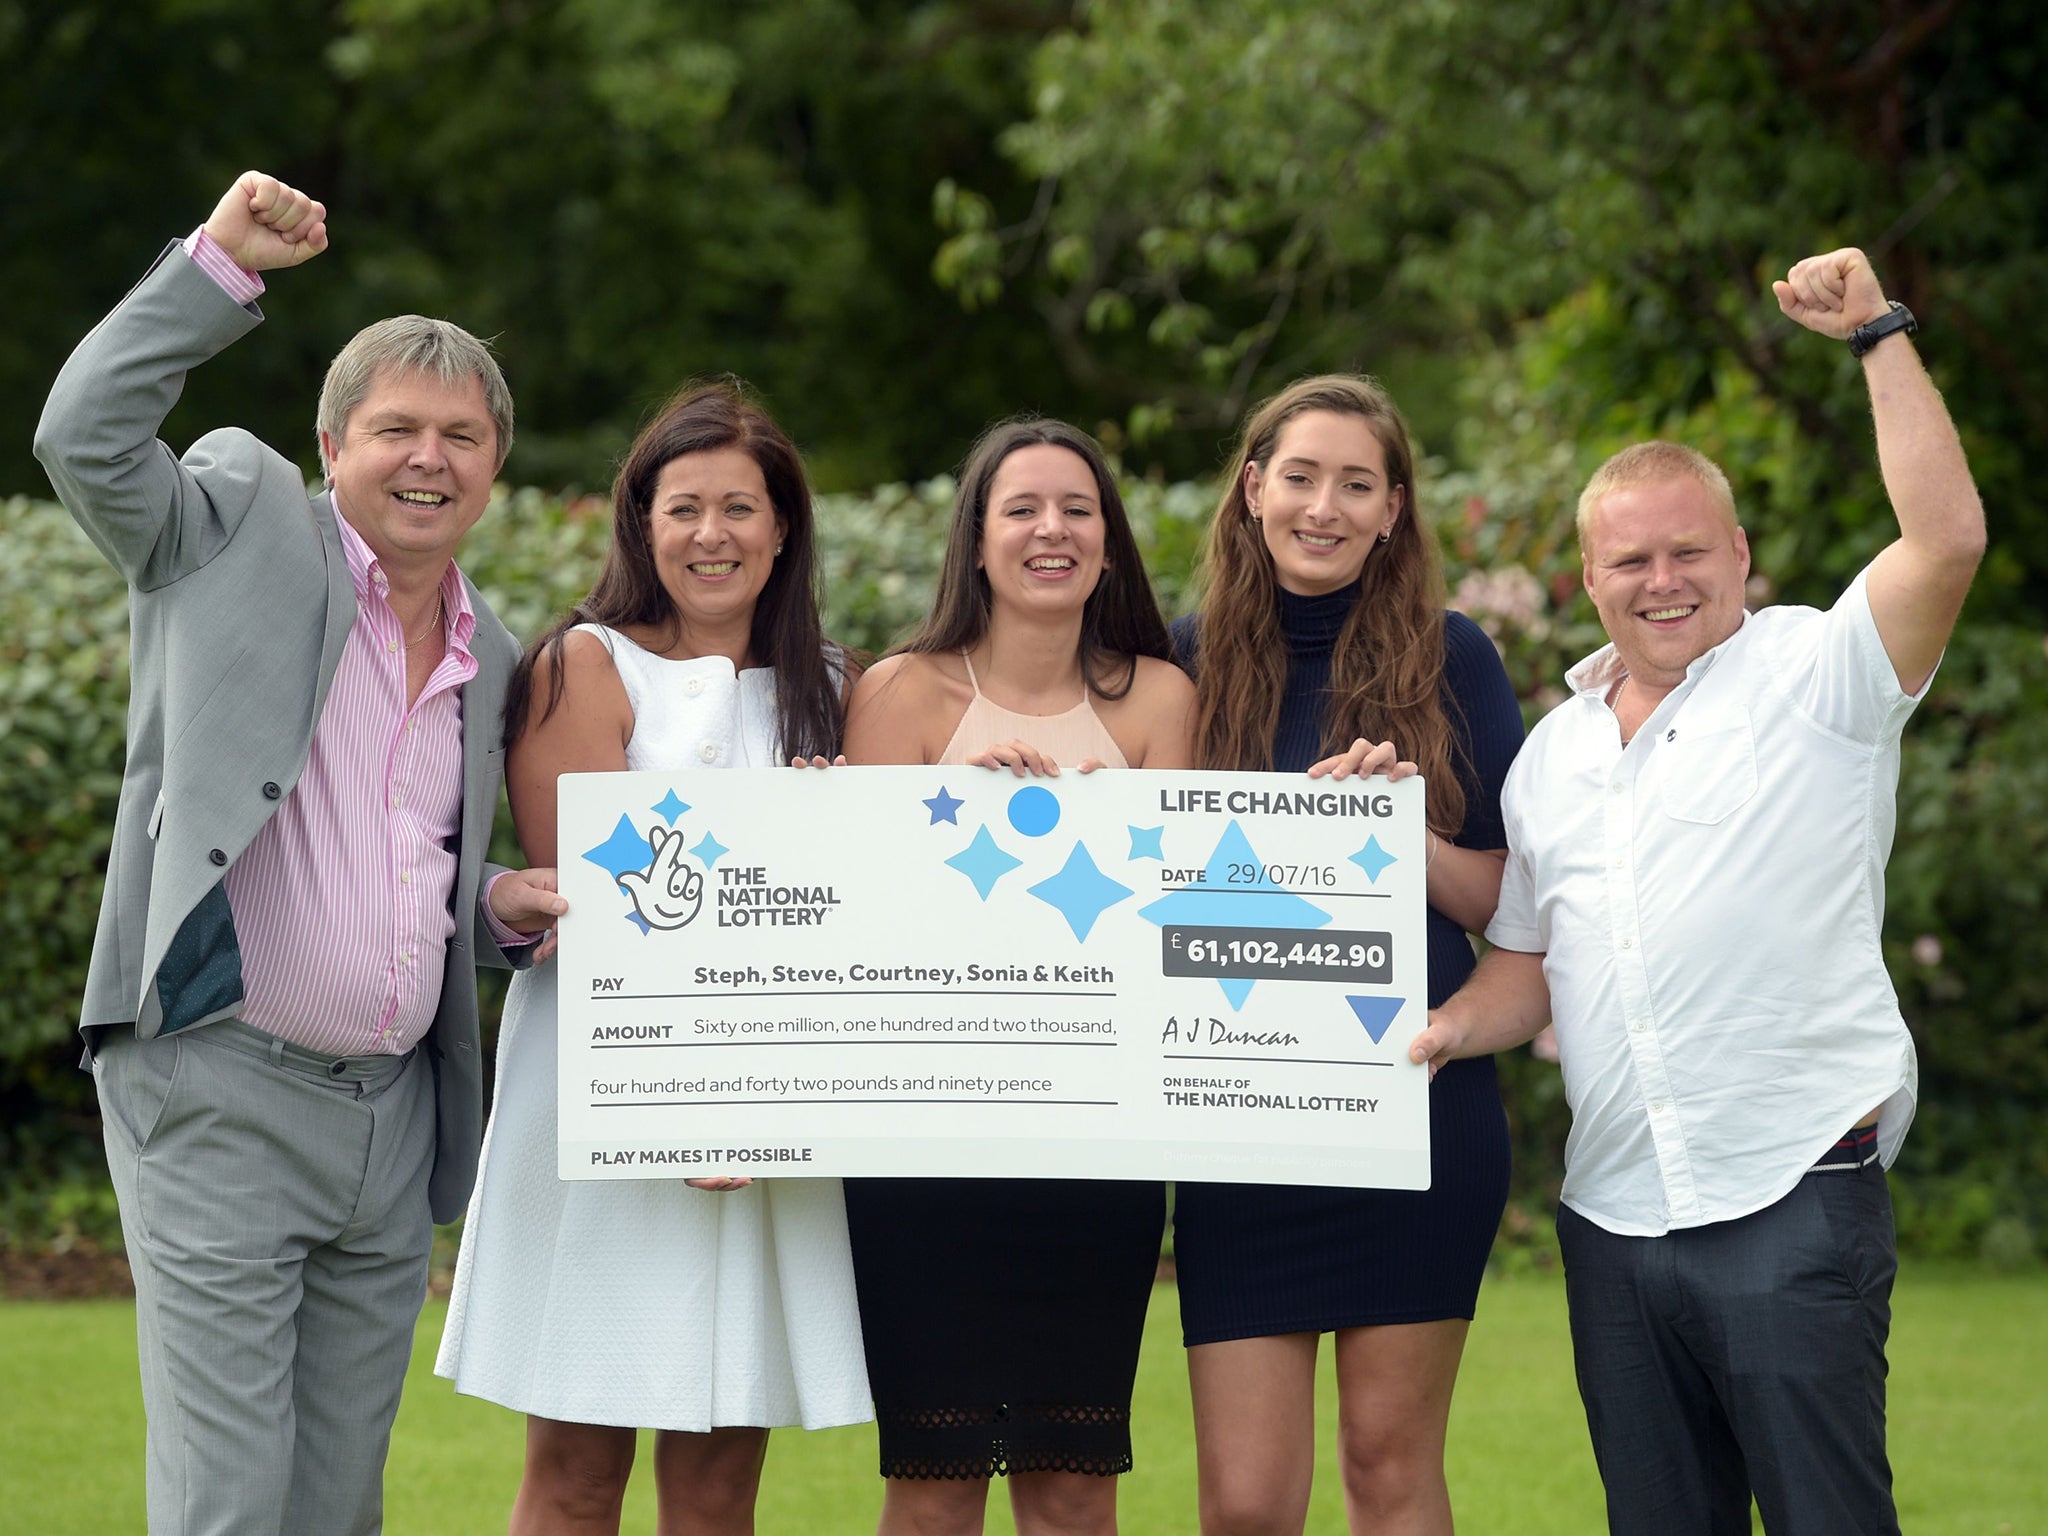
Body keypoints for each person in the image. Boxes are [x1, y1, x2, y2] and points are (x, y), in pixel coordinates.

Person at [1409, 247, 1984, 1535]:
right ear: (1586, 577)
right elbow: (1527, 964)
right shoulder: (1551, 754)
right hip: (1612, 1217)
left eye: (1686, 552)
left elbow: (1944, 539)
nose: (1659, 581)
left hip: (1790, 1188)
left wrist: (1876, 331)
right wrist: (1443, 1032)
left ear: (1737, 552)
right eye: (1627, 562)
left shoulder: (1816, 677)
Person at [32, 171, 566, 1536]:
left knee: (337, 1507)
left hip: (390, 1124)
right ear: (330, 444)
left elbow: (414, 868)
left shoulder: (490, 653)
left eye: (461, 433)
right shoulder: (233, 523)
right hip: (218, 1088)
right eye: (395, 428)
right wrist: (218, 259)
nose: (429, 457)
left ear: (496, 466)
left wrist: (497, 909)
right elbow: (84, 434)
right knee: (231, 1505)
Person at [436, 383, 872, 1534]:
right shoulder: (583, 666)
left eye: (740, 506)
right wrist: (684, 1104)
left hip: (774, 1120)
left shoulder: (840, 688)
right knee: (576, 1475)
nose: (712, 534)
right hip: (606, 1101)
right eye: (684, 507)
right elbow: (593, 908)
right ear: (642, 522)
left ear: (783, 528)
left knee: (721, 1484)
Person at [1167, 376, 1525, 1536]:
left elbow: (1505, 902)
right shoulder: (1175, 664)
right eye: (1301, 476)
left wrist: (1398, 828)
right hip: (1239, 1118)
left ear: (1391, 510)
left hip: (1412, 1108)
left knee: (1388, 1471)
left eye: (1355, 485)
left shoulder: (1451, 656)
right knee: (1245, 1506)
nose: (1323, 506)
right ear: (1252, 486)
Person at [838, 418, 1195, 1536]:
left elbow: (1171, 920)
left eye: (1076, 510)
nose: (1051, 530)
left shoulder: (1157, 699)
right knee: (933, 1482)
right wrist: (952, 832)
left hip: (1098, 1140)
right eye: (1022, 509)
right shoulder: (898, 692)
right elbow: (854, 918)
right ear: (978, 542)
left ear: (1107, 541)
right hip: (920, 1142)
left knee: (1073, 1479)